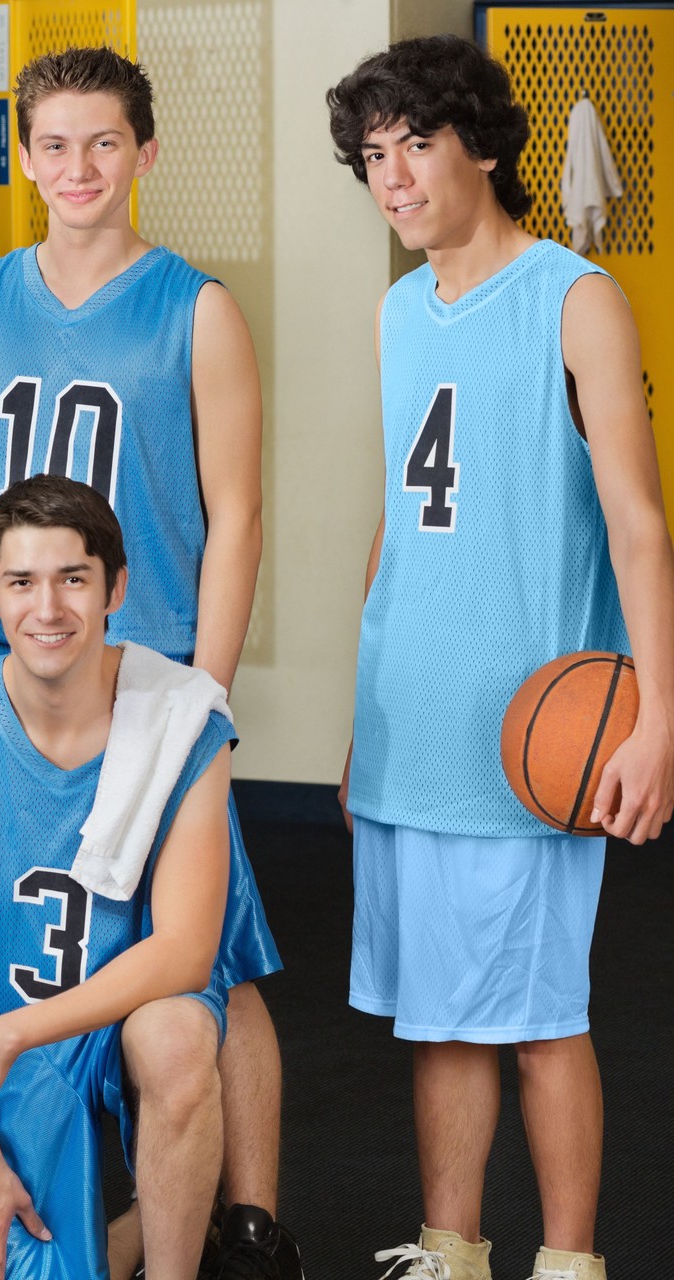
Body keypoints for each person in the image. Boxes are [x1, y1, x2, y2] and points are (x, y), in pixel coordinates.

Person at [0, 46, 295, 1278]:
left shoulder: (196, 305)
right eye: (54, 144)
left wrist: (209, 693)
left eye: (104, 143)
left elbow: (235, 509)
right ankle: (49, 1189)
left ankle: (245, 1220)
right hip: (0, 666)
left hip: (149, 678)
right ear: (20, 156)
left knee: (204, 955)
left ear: (145, 153)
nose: (77, 168)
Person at [328, 35, 674, 1280]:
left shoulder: (575, 297)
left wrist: (659, 718)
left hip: (534, 729)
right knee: (441, 1018)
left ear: (482, 143)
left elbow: (638, 521)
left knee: (538, 1018)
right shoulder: (398, 307)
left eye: (417, 143)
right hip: (411, 713)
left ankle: (569, 1262)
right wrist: (363, 704)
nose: (395, 177)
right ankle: (450, 1246)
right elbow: (400, 514)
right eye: (374, 156)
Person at [0, 474, 232, 1280]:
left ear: (115, 586)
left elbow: (186, 951)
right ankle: (126, 1237)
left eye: (73, 579)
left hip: (113, 1020)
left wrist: (8, 1036)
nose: (47, 610)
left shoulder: (184, 720)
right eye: (21, 583)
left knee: (180, 1037)